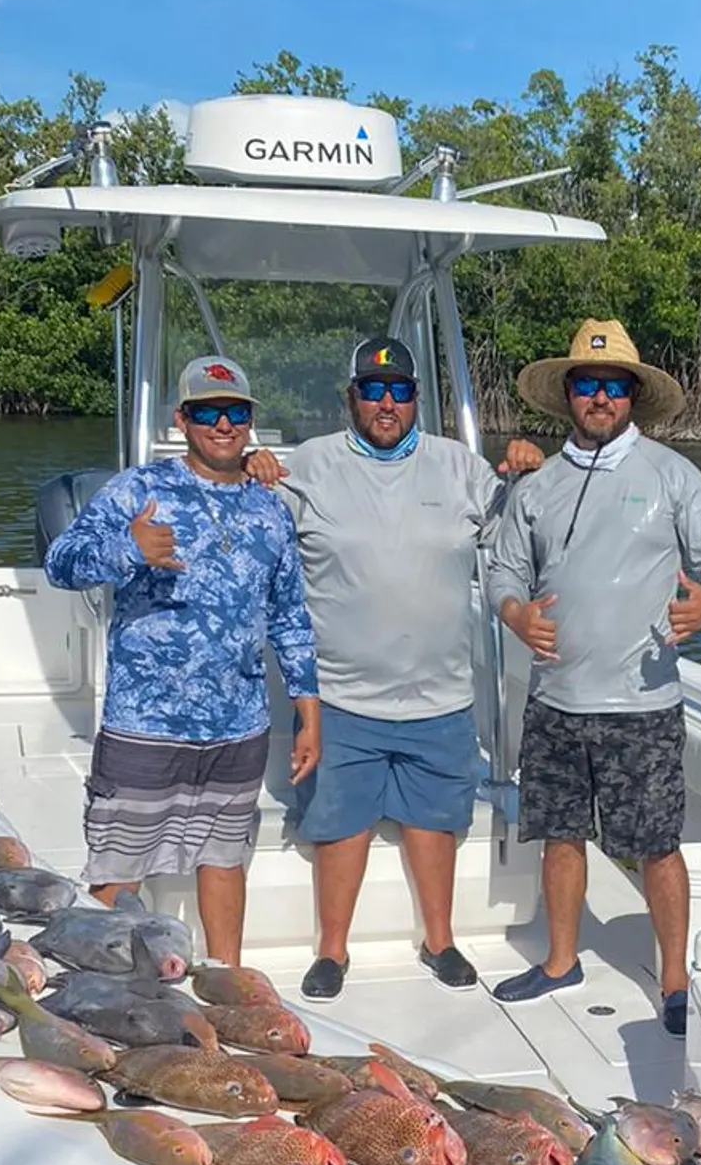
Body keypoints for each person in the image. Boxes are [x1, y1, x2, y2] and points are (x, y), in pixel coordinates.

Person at [485, 318, 701, 1037]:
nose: (600, 397)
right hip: (555, 699)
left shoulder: (672, 476)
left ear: (633, 397)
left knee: (657, 845)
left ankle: (673, 978)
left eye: (614, 386)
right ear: (568, 394)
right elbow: (502, 568)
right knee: (560, 836)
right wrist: (513, 612)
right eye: (587, 384)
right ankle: (561, 959)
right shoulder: (535, 484)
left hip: (644, 703)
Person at [253, 336, 531, 1001]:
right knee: (339, 822)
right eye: (372, 391)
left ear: (416, 400)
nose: (386, 403)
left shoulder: (459, 466)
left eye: (400, 391)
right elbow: (251, 535)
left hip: (441, 695)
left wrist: (527, 472)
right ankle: (332, 951)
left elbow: (522, 534)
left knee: (436, 820)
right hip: (341, 698)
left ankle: (440, 941)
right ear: (350, 397)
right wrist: (249, 468)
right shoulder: (309, 465)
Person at [42, 355, 321, 967]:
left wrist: (308, 712)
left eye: (236, 412)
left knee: (224, 860)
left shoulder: (271, 508)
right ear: (182, 419)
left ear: (251, 421)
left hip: (239, 725)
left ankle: (228, 983)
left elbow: (290, 618)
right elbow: (60, 562)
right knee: (118, 872)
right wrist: (127, 549)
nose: (223, 424)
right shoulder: (140, 489)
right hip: (145, 726)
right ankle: (118, 990)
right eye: (206, 412)